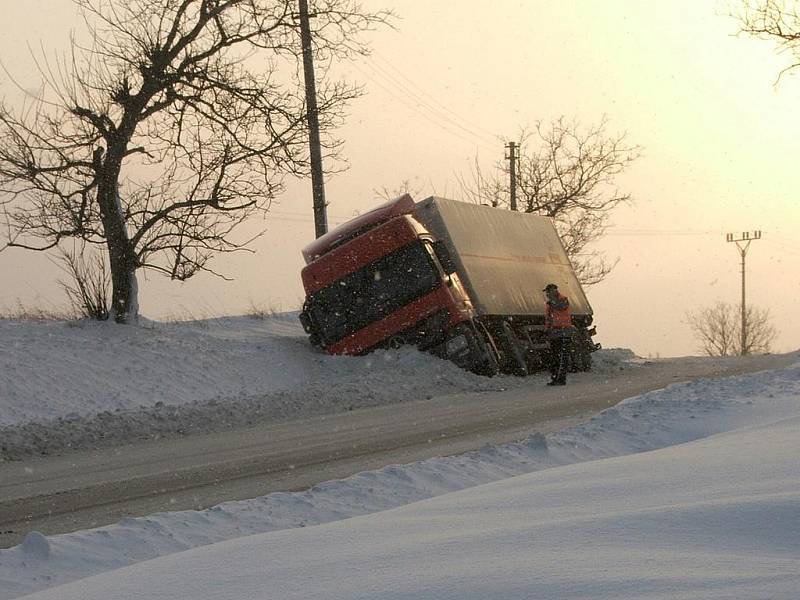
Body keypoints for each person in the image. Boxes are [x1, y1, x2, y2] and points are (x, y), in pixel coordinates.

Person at [543, 283, 575, 386]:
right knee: (554, 357)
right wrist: (547, 329)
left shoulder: (563, 299)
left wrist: (552, 302)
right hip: (554, 332)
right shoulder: (550, 304)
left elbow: (560, 307)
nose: (547, 294)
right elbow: (549, 318)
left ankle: (561, 379)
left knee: (562, 357)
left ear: (554, 291)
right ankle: (555, 378)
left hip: (564, 332)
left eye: (548, 292)